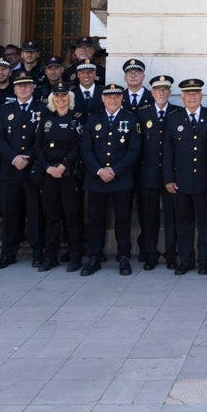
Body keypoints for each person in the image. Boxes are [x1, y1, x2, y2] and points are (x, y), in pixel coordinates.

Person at [81, 84, 141, 276]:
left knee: (123, 219)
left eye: (116, 97)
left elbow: (134, 151)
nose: (113, 100)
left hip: (120, 179)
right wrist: (99, 170)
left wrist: (114, 170)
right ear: (103, 99)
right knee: (96, 220)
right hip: (97, 179)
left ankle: (123, 256)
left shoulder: (131, 120)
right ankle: (95, 256)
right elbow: (86, 150)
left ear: (122, 99)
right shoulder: (93, 120)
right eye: (109, 97)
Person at [165, 79, 207, 276]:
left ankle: (205, 260)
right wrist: (168, 178)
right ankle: (185, 260)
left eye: (196, 93)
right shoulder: (174, 118)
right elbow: (168, 150)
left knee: (205, 223)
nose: (192, 97)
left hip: (206, 179)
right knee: (184, 223)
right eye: (188, 94)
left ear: (201, 96)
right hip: (181, 181)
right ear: (182, 97)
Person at [0, 75, 45, 269]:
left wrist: (28, 157)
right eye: (19, 86)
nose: (23, 89)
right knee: (10, 213)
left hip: (33, 170)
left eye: (27, 86)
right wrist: (14, 158)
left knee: (35, 213)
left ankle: (38, 251)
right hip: (10, 169)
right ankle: (8, 253)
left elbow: (42, 139)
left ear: (33, 88)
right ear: (14, 90)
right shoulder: (5, 110)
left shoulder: (42, 109)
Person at [36, 83, 85, 272]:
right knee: (51, 216)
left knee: (72, 216)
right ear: (52, 99)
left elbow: (78, 147)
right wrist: (48, 167)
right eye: (57, 96)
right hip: (49, 174)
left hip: (69, 174)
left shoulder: (76, 120)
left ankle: (75, 256)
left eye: (64, 95)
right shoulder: (45, 120)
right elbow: (38, 146)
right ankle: (51, 256)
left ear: (69, 98)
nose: (60, 99)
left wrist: (63, 166)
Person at [136, 74, 182, 270]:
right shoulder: (142, 113)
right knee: (149, 216)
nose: (162, 93)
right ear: (152, 93)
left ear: (170, 93)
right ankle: (150, 254)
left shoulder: (178, 112)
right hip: (149, 173)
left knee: (172, 217)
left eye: (165, 90)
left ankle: (171, 254)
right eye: (158, 90)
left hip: (172, 174)